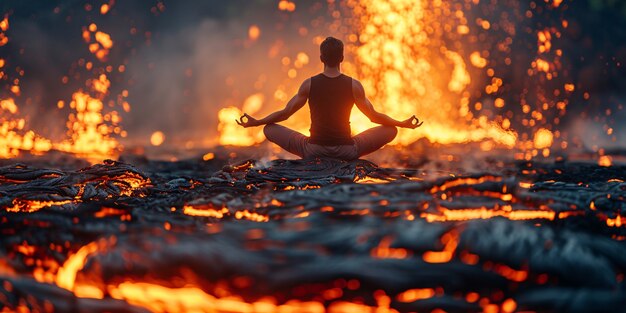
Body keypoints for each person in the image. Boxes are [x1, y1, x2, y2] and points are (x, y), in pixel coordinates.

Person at [236, 36, 422, 160]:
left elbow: (285, 114)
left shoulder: (308, 84)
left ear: (321, 57)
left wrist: (257, 122)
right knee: (391, 130)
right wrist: (402, 123)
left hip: (313, 149)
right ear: (342, 58)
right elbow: (373, 116)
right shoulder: (354, 85)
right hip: (347, 150)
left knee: (269, 129)